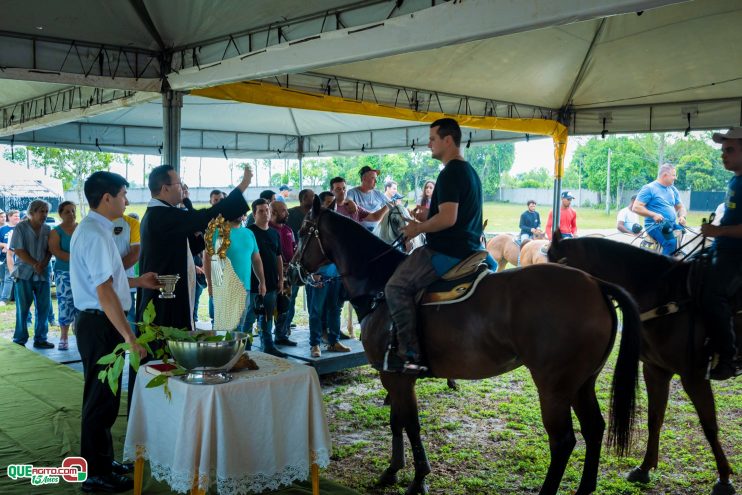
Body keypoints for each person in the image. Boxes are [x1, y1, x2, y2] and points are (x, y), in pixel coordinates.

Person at [70, 171, 161, 493]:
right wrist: (129, 337)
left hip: (101, 318)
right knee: (99, 398)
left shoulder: (100, 230)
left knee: (106, 397)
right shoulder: (94, 233)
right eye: (123, 194)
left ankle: (102, 461)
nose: (126, 199)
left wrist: (137, 282)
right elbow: (103, 290)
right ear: (106, 197)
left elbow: (109, 281)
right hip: (100, 323)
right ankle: (94, 473)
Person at [385, 118, 485, 372]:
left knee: (395, 287)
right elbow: (452, 215)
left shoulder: (450, 172)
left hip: (448, 251)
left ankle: (410, 354)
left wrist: (416, 228)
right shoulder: (468, 171)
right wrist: (426, 217)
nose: (428, 144)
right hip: (470, 247)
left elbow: (449, 219)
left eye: (432, 139)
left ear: (448, 140)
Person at [137, 164, 251, 331]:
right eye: (179, 184)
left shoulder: (164, 214)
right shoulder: (161, 216)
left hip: (171, 296)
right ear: (165, 189)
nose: (182, 188)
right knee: (165, 350)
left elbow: (190, 245)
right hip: (164, 300)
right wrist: (242, 186)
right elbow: (205, 216)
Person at [699, 128, 742, 380]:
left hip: (737, 255)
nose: (723, 156)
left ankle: (727, 357)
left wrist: (718, 230)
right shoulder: (735, 179)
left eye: (730, 150)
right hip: (723, 249)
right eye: (723, 151)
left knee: (714, 295)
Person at [212, 214, 266, 337]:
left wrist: (262, 282)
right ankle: (223, 354)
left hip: (244, 287)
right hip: (225, 287)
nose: (240, 213)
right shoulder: (218, 232)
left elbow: (256, 259)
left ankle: (236, 354)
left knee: (239, 327)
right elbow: (210, 259)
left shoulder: (249, 233)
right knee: (225, 328)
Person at [244, 199, 286, 357]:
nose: (265, 213)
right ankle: (244, 349)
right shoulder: (249, 232)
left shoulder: (274, 233)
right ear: (254, 213)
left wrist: (281, 279)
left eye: (267, 210)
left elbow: (279, 257)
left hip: (271, 283)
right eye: (260, 211)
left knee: (268, 317)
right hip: (253, 284)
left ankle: (268, 346)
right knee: (249, 319)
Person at [11, 200, 53, 348]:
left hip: (43, 273)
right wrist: (35, 264)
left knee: (44, 307)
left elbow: (50, 249)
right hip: (24, 274)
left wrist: (44, 263)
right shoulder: (20, 228)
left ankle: (41, 339)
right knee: (23, 308)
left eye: (46, 211)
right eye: (41, 211)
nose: (44, 215)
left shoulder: (47, 229)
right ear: (32, 212)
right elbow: (18, 250)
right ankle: (20, 339)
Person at [633, 164, 687, 256]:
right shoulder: (649, 188)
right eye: (673, 175)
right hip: (656, 225)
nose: (675, 178)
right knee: (670, 243)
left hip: (672, 224)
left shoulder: (673, 189)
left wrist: (682, 216)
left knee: (687, 236)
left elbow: (681, 207)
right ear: (665, 175)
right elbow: (636, 207)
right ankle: (663, 267)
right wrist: (653, 215)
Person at [48, 201, 78, 350]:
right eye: (67, 211)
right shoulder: (55, 231)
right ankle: (64, 336)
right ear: (60, 214)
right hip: (63, 272)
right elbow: (56, 251)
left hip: (82, 273)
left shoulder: (82, 229)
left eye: (73, 211)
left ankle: (80, 333)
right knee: (65, 303)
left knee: (82, 303)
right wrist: (78, 258)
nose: (71, 214)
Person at [269, 200, 297, 346]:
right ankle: (266, 340)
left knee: (285, 306)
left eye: (286, 210)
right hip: (270, 276)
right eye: (284, 210)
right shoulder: (266, 230)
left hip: (287, 276)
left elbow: (294, 249)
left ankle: (281, 335)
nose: (287, 213)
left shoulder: (288, 230)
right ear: (273, 212)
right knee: (268, 308)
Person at [203, 190, 227, 323]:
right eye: (216, 200)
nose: (219, 203)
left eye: (221, 200)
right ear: (211, 202)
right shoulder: (208, 223)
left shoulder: (230, 221)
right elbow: (206, 255)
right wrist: (210, 282)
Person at [347, 166, 389, 231]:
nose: (376, 181)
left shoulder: (379, 194)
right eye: (373, 178)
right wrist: (350, 202)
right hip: (358, 231)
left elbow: (392, 205)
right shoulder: (352, 192)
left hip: (378, 232)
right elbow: (347, 201)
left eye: (376, 178)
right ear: (364, 178)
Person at [0, 209, 20, 305]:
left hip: (15, 257)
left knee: (9, 277)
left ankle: (4, 299)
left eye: (18, 216)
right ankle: (5, 297)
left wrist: (9, 248)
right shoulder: (3, 229)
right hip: (3, 257)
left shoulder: (20, 228)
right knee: (3, 279)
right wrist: (5, 245)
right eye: (15, 216)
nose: (17, 218)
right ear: (10, 217)